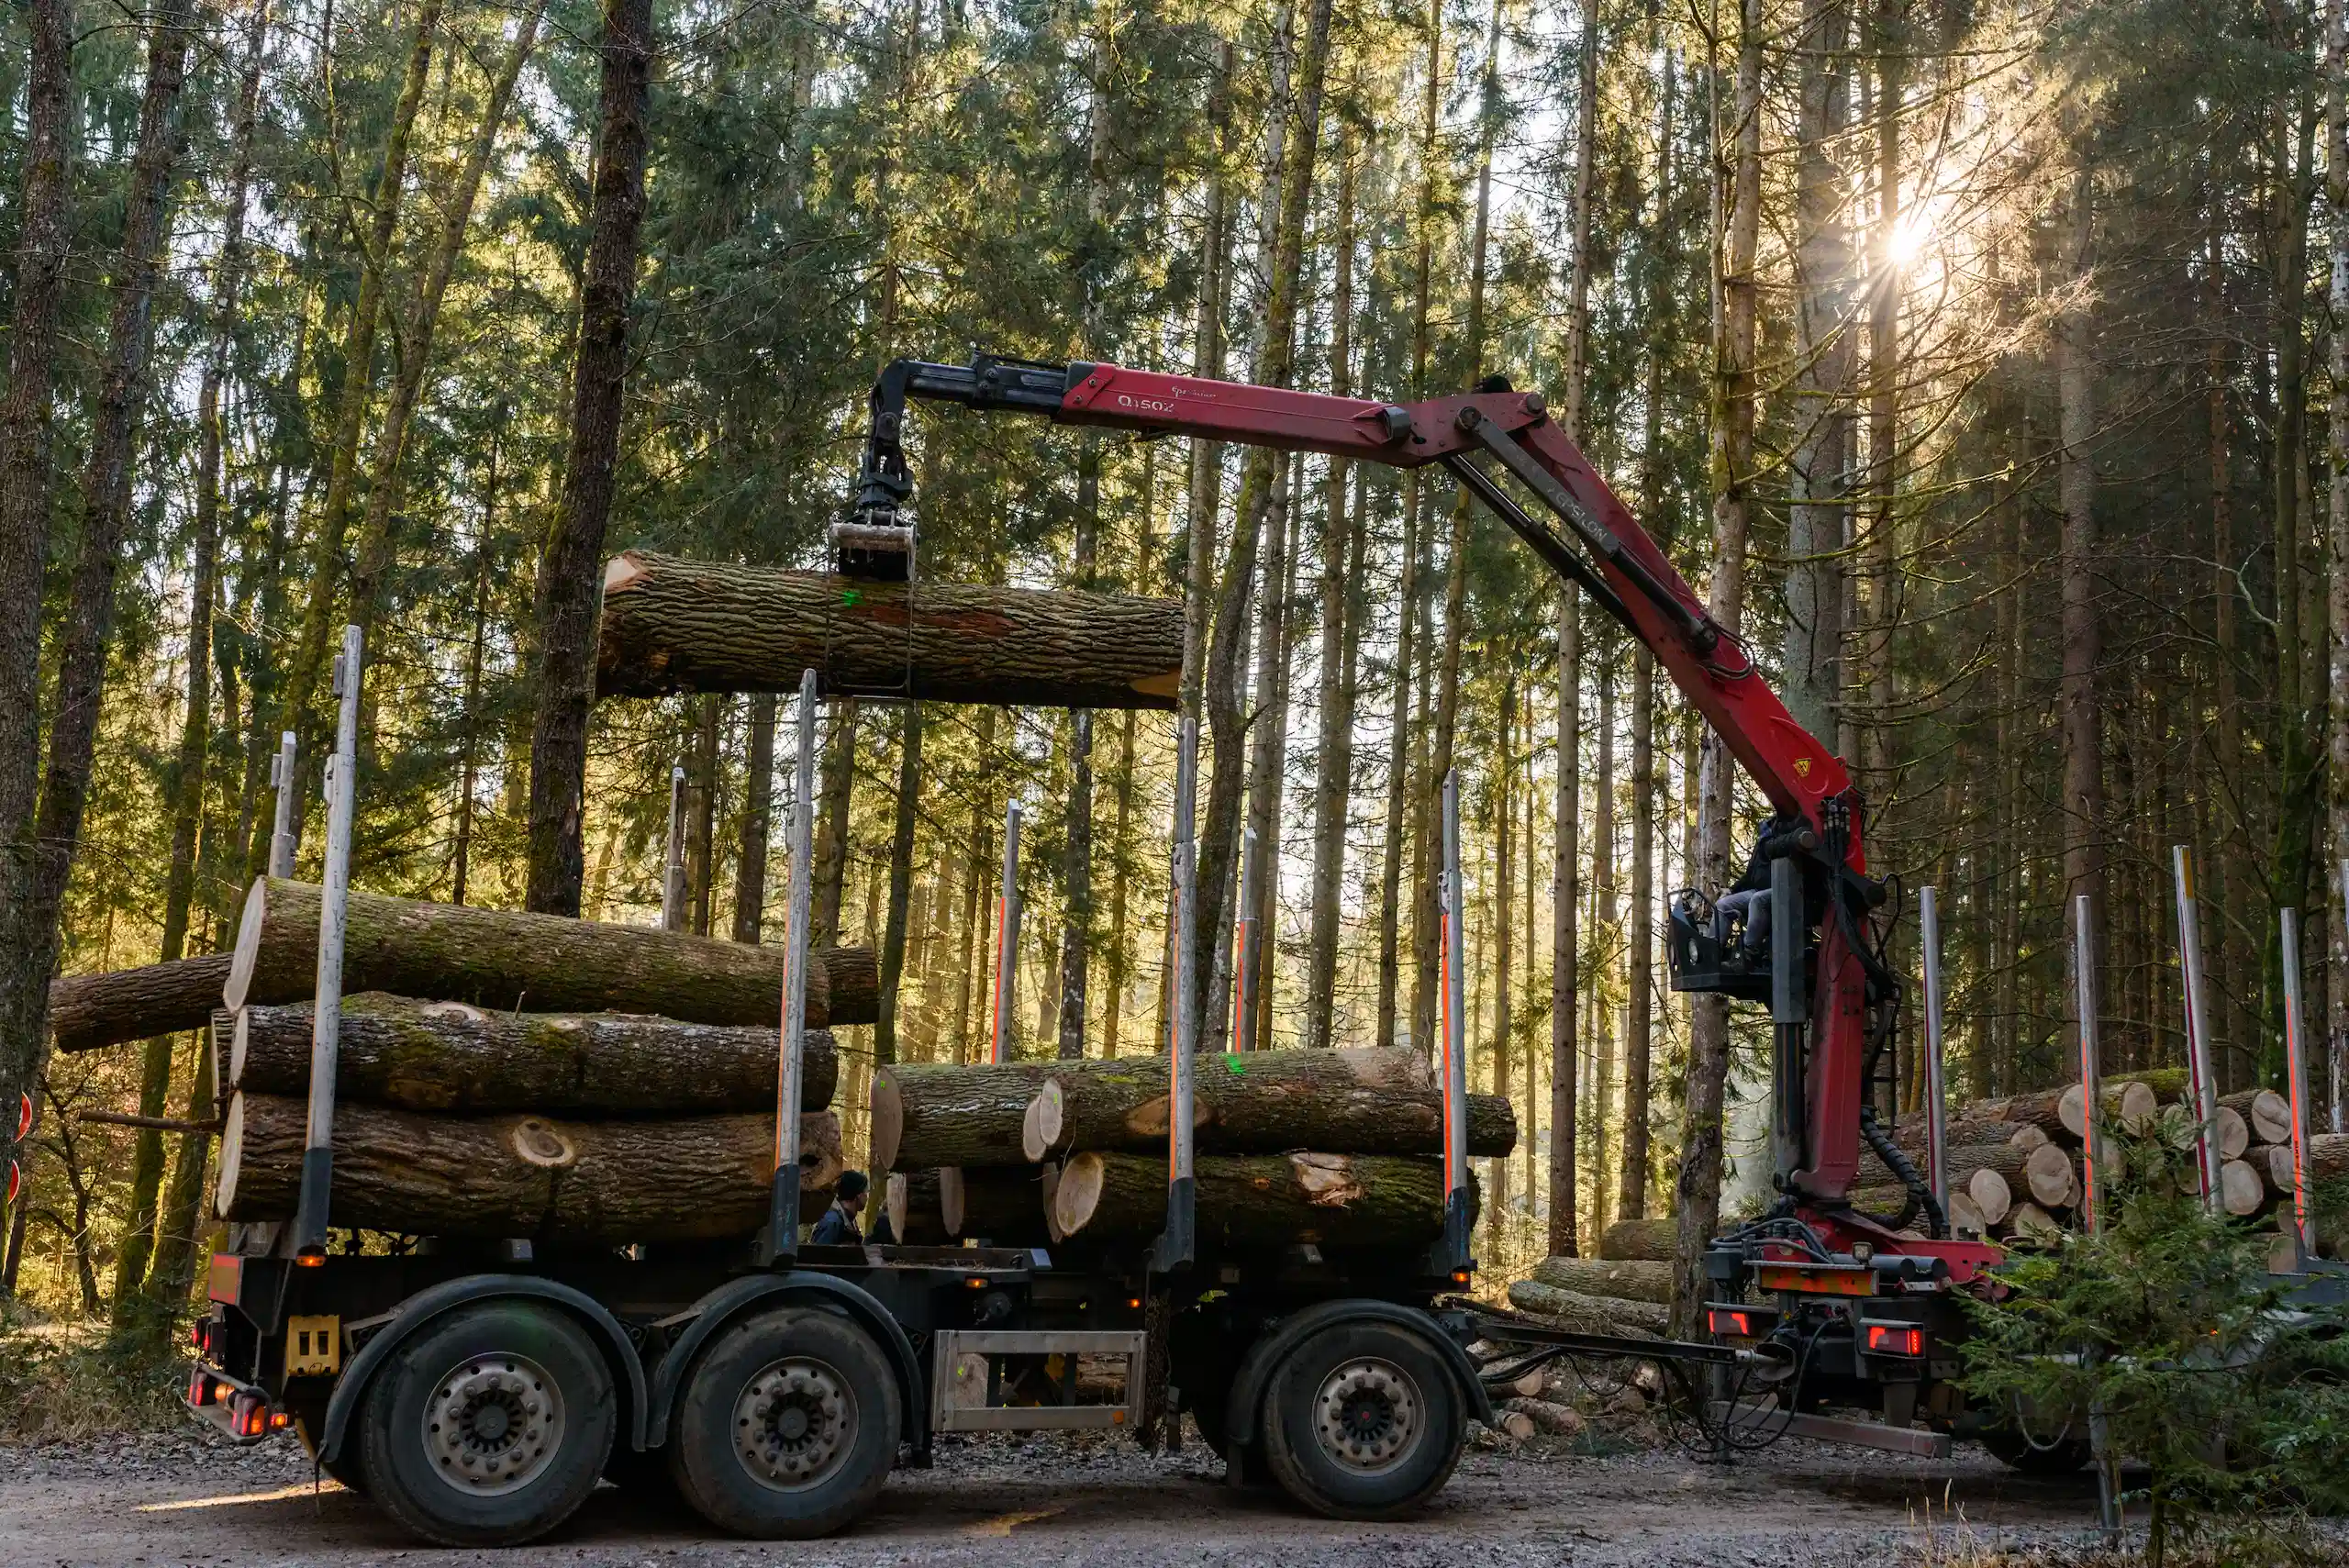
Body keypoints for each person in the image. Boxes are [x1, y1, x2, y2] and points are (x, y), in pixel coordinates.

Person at [1712, 810, 1802, 961]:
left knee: (1757, 900)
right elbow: (1750, 875)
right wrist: (1731, 890)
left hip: (1785, 889)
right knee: (1723, 904)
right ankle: (1713, 952)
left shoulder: (1787, 839)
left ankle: (1748, 952)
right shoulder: (1762, 845)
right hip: (1757, 890)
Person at [809, 1169, 869, 1244]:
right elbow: (819, 1254)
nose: (867, 1196)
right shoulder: (832, 1222)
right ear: (858, 1195)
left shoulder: (848, 1220)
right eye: (865, 1192)